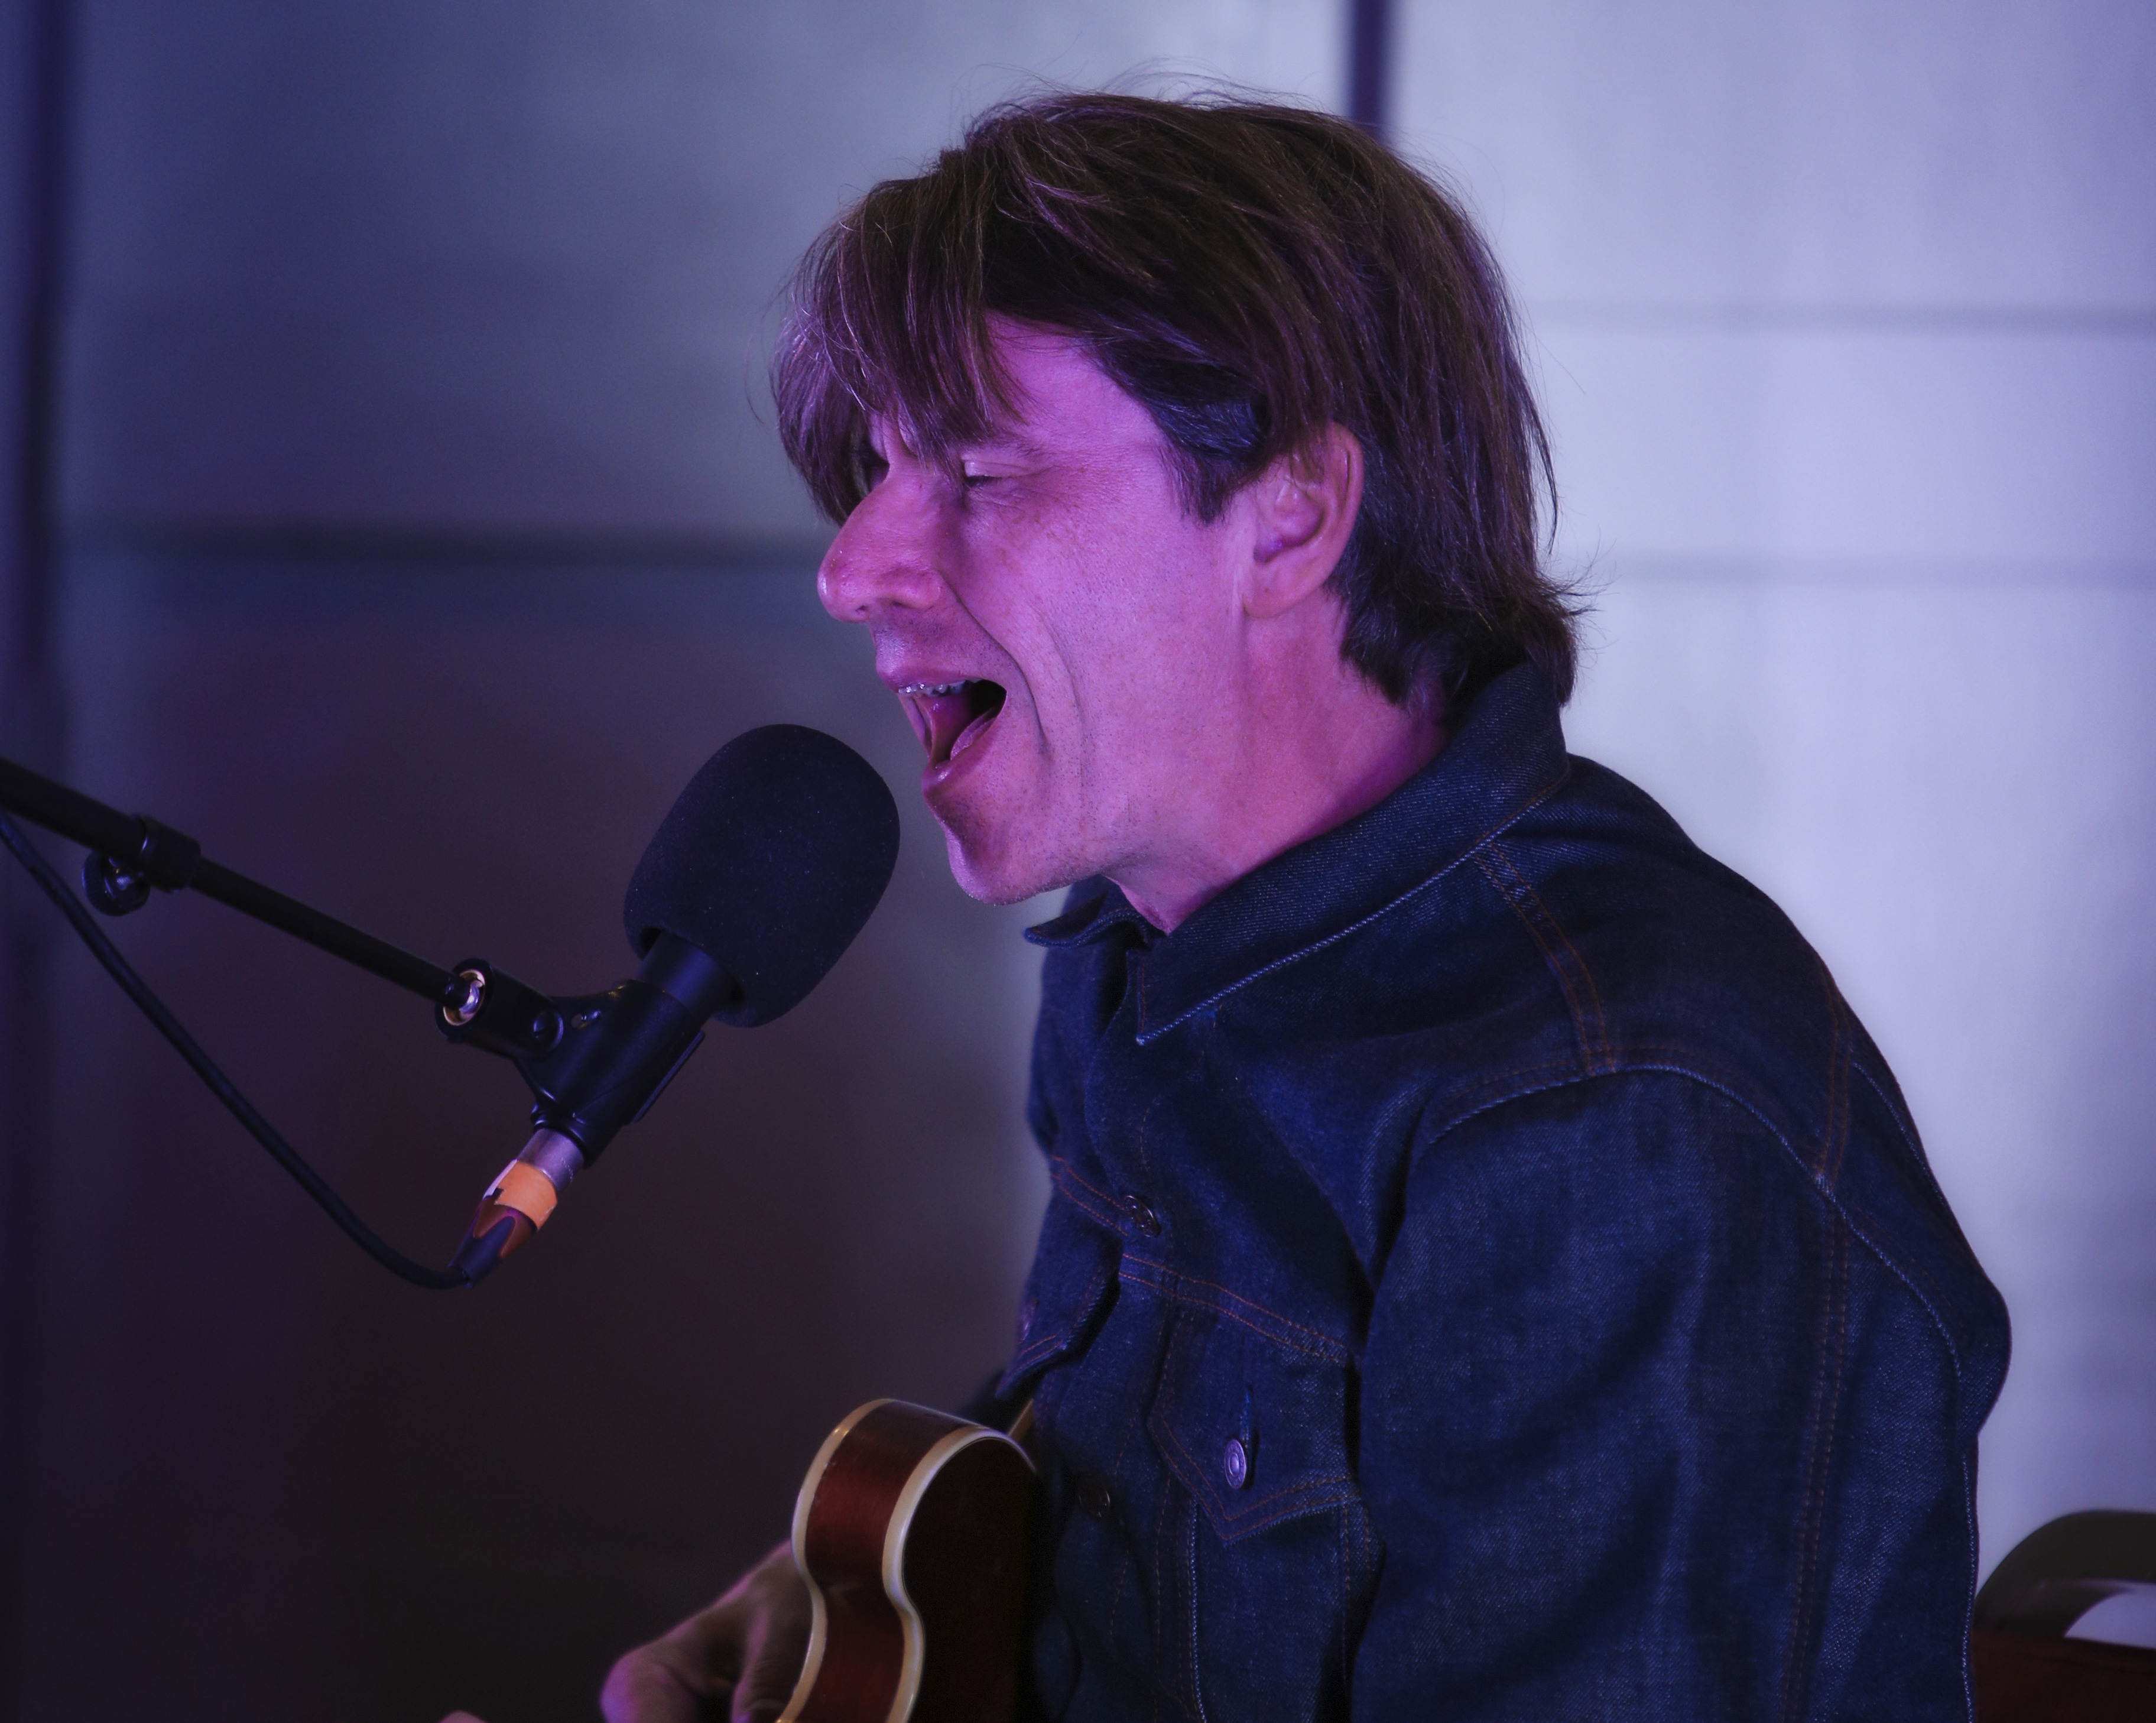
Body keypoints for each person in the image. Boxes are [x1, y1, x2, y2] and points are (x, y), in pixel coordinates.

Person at [600, 92, 2010, 1721]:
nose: (852, 566)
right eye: (874, 467)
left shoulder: (1604, 1126)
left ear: (1289, 514)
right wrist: (860, 1612)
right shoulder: (1142, 946)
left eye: (977, 467)